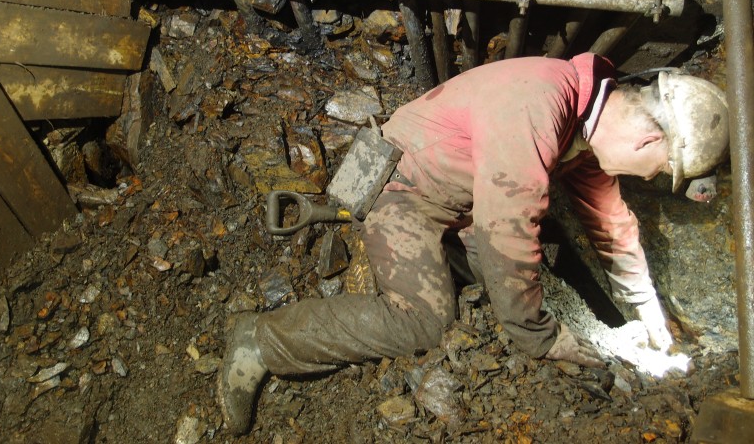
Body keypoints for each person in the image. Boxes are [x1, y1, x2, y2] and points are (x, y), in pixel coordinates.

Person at [218, 52, 730, 435]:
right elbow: (506, 226)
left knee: (511, 281)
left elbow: (612, 225)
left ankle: (464, 277)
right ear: (649, 140)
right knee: (425, 321)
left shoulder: (584, 123)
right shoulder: (539, 100)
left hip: (462, 200)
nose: (653, 176)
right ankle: (262, 340)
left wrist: (647, 312)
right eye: (663, 170)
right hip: (403, 190)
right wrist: (540, 337)